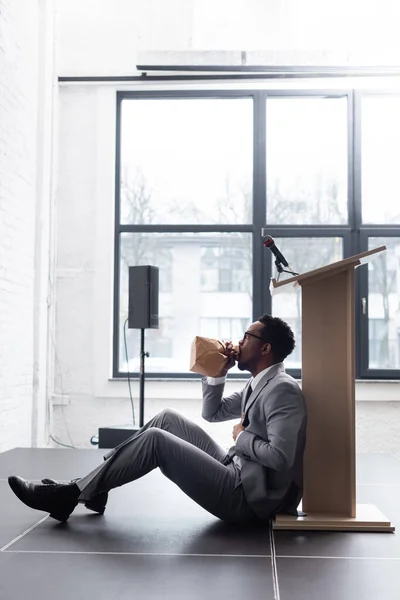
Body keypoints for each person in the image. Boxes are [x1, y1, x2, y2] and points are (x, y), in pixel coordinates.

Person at [8, 314, 307, 525]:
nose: (238, 342)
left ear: (265, 348)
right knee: (167, 419)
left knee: (156, 441)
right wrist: (219, 372)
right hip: (236, 469)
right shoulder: (258, 383)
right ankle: (95, 489)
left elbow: (281, 458)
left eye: (247, 336)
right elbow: (211, 413)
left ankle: (70, 494)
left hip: (249, 498)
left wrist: (242, 436)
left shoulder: (281, 389)